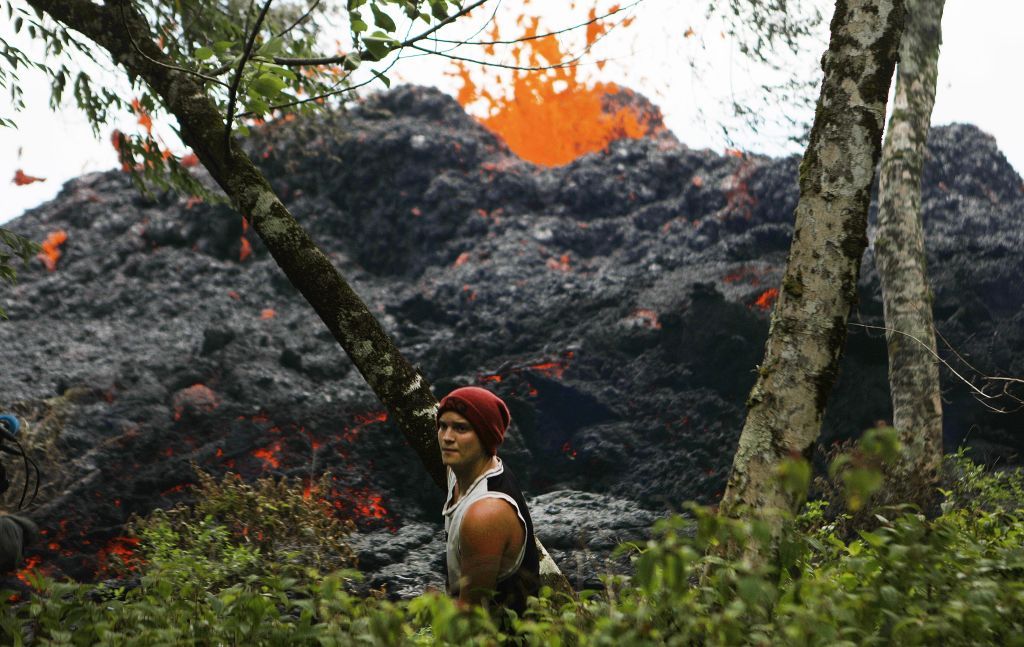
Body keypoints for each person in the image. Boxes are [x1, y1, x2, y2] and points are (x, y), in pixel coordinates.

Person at [438, 387, 539, 614]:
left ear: (485, 437)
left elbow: (470, 613)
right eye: (443, 425)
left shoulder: (485, 514)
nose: (447, 437)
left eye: (461, 428)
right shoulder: (462, 468)